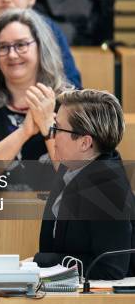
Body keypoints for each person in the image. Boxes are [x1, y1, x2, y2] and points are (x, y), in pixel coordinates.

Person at [34, 89, 135, 279]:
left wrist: (47, 262)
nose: (52, 136)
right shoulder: (72, 166)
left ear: (85, 143)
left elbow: (110, 268)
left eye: (58, 128)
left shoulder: (108, 188)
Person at [0, 8, 71, 162]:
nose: (12, 54)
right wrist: (24, 132)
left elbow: (80, 178)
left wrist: (48, 126)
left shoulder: (73, 104)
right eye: (3, 47)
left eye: (21, 45)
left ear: (40, 47)